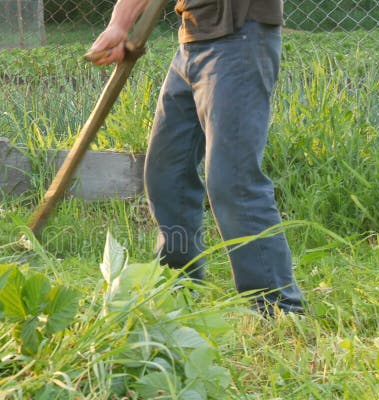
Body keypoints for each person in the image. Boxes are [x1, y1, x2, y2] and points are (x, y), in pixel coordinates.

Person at [88, 0, 305, 314]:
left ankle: (276, 307)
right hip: (191, 42)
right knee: (166, 175)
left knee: (233, 181)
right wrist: (119, 25)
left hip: (241, 37)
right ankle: (179, 287)